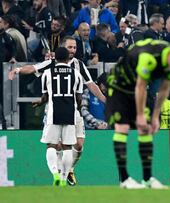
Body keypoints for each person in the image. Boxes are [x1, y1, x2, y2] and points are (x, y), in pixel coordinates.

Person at [8, 36, 106, 186]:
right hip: (63, 110)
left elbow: (91, 85)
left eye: (74, 47)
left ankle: (68, 171)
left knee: (78, 145)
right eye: (69, 47)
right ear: (62, 48)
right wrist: (19, 70)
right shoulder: (51, 64)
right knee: (61, 146)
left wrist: (105, 100)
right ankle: (61, 174)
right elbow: (33, 68)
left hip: (73, 112)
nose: (72, 50)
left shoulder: (79, 65)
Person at [106, 38, 170, 189]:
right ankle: (125, 180)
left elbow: (164, 89)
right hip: (119, 86)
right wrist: (140, 116)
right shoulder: (150, 58)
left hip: (137, 89)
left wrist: (155, 117)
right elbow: (141, 86)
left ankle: (147, 179)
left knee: (145, 129)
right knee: (123, 128)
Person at [38, 47, 83, 186]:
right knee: (67, 147)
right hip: (70, 113)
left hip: (53, 113)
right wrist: (77, 108)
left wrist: (40, 102)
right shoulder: (76, 74)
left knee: (51, 145)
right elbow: (79, 97)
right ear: (67, 58)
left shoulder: (47, 73)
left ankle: (55, 173)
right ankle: (64, 177)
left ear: (55, 58)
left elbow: (45, 96)